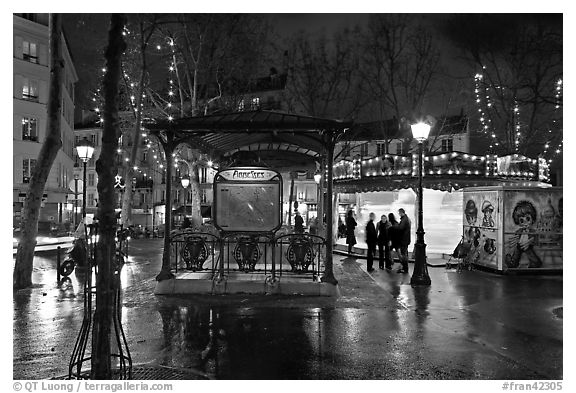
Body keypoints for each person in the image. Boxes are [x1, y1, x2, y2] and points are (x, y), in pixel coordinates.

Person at [397, 208, 412, 274]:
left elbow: (401, 228)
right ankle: (405, 267)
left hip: (404, 240)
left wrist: (397, 226)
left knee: (404, 254)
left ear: (401, 212)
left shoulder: (404, 219)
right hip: (406, 239)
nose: (399, 214)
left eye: (399, 213)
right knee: (405, 253)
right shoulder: (407, 219)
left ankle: (405, 268)